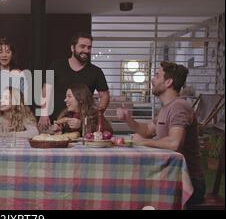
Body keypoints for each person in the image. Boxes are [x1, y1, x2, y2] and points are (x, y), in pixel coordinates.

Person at [116, 61, 205, 205]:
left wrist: (142, 142)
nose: (152, 79)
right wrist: (128, 119)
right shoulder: (167, 108)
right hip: (171, 174)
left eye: (157, 76)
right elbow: (147, 130)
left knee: (134, 191)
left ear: (168, 82)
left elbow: (174, 143)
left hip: (189, 182)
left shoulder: (179, 107)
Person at [38, 32, 110, 130]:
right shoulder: (56, 66)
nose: (86, 50)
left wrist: (95, 116)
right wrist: (43, 114)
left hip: (81, 126)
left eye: (89, 47)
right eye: (82, 46)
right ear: (72, 48)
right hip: (56, 123)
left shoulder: (96, 71)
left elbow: (104, 96)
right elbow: (45, 91)